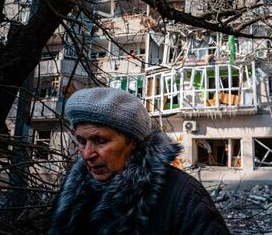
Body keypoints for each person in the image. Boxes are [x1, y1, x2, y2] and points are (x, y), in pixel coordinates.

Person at [48, 87, 229, 234]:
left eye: (100, 141)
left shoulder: (183, 196)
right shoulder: (73, 190)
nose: (87, 154)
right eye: (81, 141)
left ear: (133, 142)